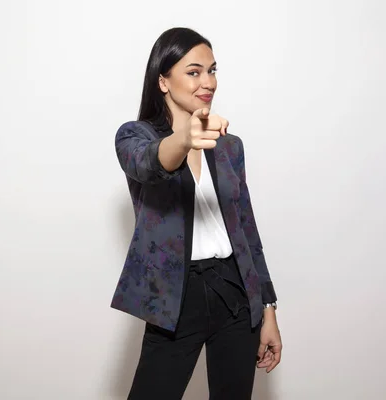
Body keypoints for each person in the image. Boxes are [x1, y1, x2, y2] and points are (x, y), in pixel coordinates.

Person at [111, 27, 282, 400]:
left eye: (213, 70)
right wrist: (185, 137)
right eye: (194, 71)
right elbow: (148, 165)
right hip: (176, 297)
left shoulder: (229, 146)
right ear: (163, 81)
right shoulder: (133, 137)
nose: (208, 82)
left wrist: (268, 309)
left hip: (234, 293)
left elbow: (248, 233)